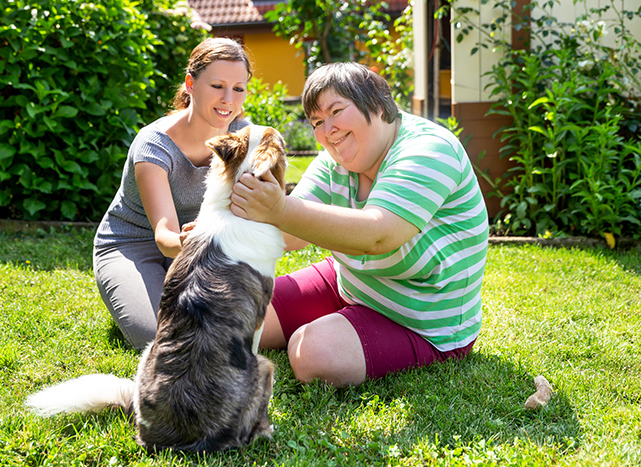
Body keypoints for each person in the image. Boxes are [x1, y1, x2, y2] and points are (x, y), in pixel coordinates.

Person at [230, 62, 489, 388]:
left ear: (378, 104)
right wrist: (221, 231)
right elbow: (291, 235)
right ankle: (341, 321)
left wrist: (278, 208)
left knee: (312, 353)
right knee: (231, 311)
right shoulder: (334, 159)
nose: (327, 131)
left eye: (337, 111)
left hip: (421, 319)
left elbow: (378, 235)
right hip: (350, 282)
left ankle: (354, 334)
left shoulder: (428, 150)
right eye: (318, 122)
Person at [93, 38, 252, 350]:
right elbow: (164, 235)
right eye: (217, 85)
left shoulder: (244, 138)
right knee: (164, 339)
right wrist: (186, 241)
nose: (227, 99)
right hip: (135, 245)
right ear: (191, 84)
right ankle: (130, 288)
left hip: (201, 248)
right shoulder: (153, 144)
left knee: (230, 328)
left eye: (238, 88)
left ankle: (163, 292)